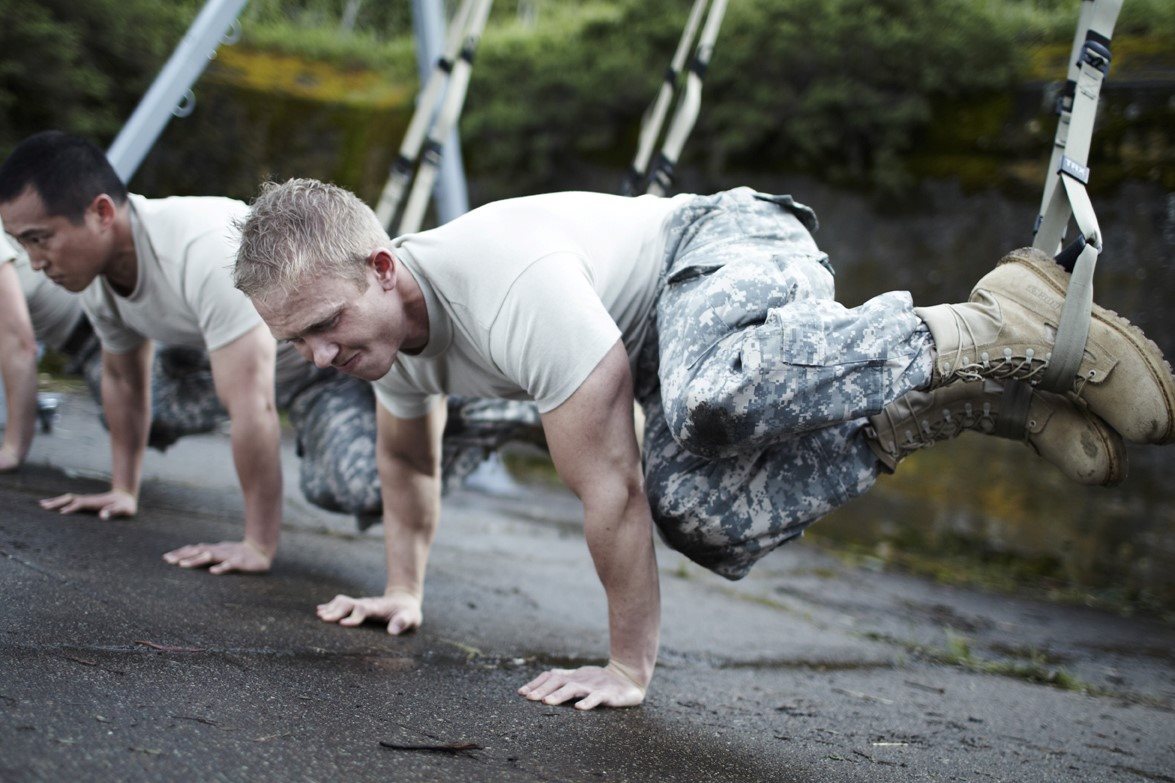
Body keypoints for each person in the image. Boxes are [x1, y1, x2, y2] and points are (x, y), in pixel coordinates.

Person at [234, 178, 1171, 711]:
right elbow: (405, 463)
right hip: (658, 350)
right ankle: (977, 400)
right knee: (705, 518)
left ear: (386, 267)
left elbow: (609, 490)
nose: (319, 356)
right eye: (298, 343)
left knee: (715, 396)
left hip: (722, 238)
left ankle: (993, 322)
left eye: (324, 324)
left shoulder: (508, 284)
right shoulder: (385, 346)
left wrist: (624, 668)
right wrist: (403, 588)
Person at [0, 131, 352, 573]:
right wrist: (123, 490)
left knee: (350, 488)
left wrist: (257, 546)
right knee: (143, 400)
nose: (34, 262)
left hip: (338, 365)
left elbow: (252, 404)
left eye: (40, 239)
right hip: (268, 363)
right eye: (22, 244)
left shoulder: (203, 250)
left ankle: (458, 417)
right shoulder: (93, 274)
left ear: (101, 213)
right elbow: (124, 379)